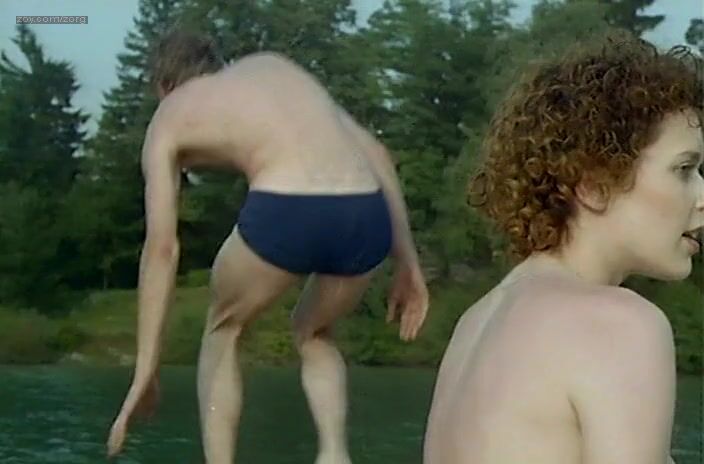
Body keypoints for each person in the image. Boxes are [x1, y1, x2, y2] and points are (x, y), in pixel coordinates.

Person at [106, 29, 429, 464]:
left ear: (163, 85)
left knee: (224, 329)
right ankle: (334, 454)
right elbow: (377, 152)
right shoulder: (273, 68)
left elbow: (162, 249)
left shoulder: (170, 113)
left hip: (288, 207)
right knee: (314, 331)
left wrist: (145, 370)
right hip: (365, 213)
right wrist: (408, 262)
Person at [423, 32, 702, 464]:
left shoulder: (476, 322)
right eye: (684, 169)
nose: (701, 195)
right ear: (593, 184)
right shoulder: (619, 324)